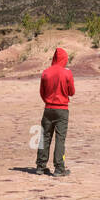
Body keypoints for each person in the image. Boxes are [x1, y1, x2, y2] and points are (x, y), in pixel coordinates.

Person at [37, 47, 75, 176]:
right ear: (64, 59)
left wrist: (48, 101)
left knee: (44, 137)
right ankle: (59, 168)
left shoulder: (46, 72)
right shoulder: (67, 73)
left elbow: (42, 92)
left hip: (48, 108)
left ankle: (40, 166)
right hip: (62, 109)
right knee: (60, 139)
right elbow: (72, 92)